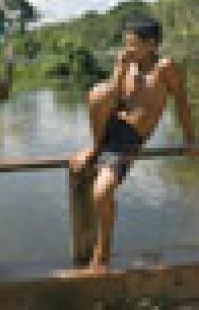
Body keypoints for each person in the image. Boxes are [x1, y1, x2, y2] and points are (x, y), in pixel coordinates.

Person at [69, 14, 196, 272]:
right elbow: (112, 100)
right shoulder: (128, 66)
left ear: (151, 44)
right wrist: (120, 69)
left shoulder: (165, 68)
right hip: (107, 130)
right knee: (97, 93)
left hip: (128, 140)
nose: (128, 49)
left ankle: (103, 245)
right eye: (126, 43)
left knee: (101, 192)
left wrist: (190, 139)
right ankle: (94, 147)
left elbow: (182, 103)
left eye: (133, 44)